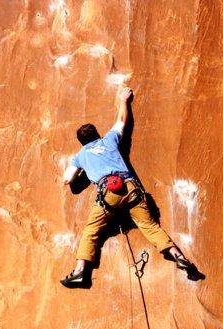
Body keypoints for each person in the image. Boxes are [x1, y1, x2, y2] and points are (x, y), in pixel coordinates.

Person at [60, 87, 204, 288]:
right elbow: (121, 121)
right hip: (131, 188)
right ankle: (177, 255)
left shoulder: (80, 155)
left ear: (81, 142)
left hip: (108, 195)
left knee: (91, 231)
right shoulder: (108, 140)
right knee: (151, 226)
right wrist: (124, 101)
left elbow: (68, 180)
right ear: (96, 134)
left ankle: (79, 272)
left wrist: (84, 168)